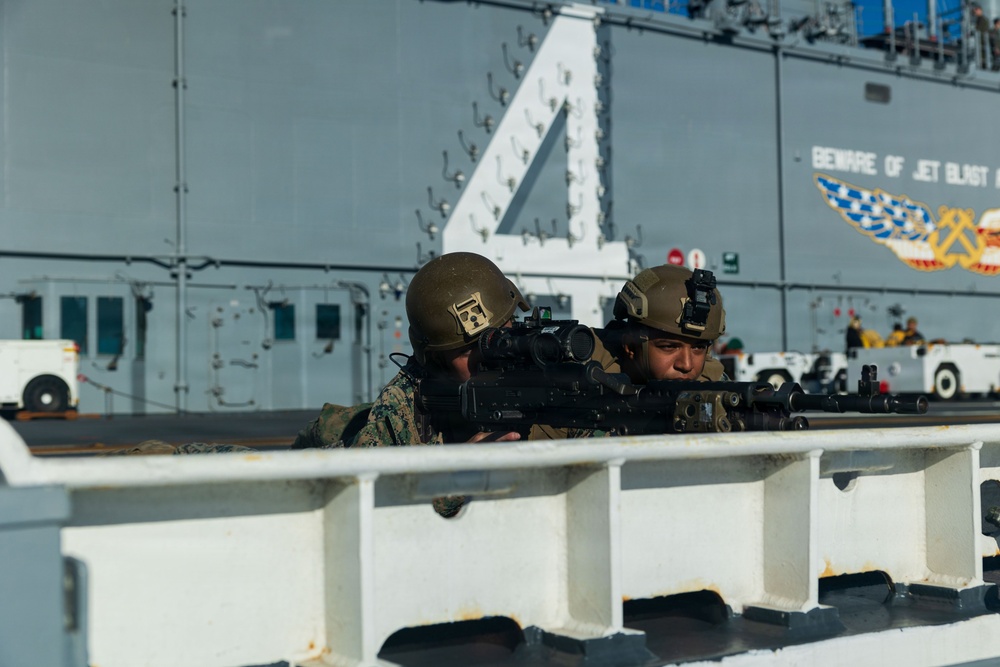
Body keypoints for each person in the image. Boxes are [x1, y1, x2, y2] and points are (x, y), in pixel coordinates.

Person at [592, 264, 728, 383]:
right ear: (631, 346)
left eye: (698, 348)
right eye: (669, 347)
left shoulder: (712, 384)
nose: (686, 365)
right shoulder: (587, 370)